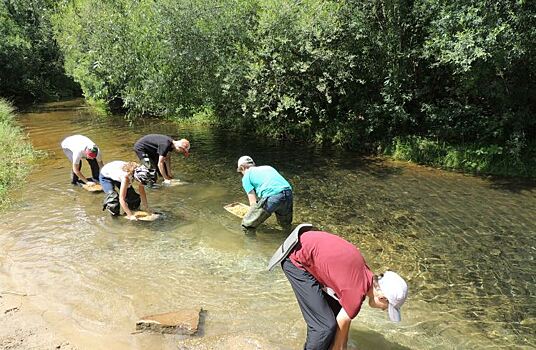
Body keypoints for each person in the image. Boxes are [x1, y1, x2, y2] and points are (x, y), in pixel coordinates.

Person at [268, 224, 408, 350]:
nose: (383, 309)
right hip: (295, 259)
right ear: (383, 297)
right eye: (386, 306)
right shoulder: (356, 294)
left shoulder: (365, 275)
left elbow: (342, 327)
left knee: (334, 314)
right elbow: (339, 343)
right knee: (323, 327)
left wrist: (341, 343)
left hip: (303, 241)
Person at [236, 155, 293, 234]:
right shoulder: (268, 167)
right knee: (285, 225)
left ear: (242, 168)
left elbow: (253, 203)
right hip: (288, 192)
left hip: (273, 196)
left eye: (240, 172)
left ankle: (251, 245)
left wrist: (252, 215)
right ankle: (290, 239)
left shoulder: (246, 177)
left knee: (247, 226)